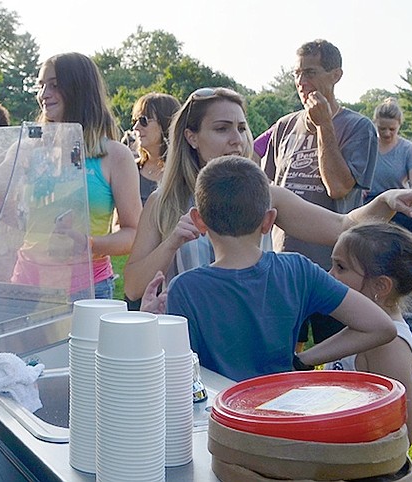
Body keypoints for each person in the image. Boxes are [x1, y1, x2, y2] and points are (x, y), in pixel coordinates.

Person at [124, 87, 412, 306]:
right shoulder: (163, 202)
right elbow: (134, 287)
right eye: (222, 128)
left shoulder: (268, 197)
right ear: (191, 137)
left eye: (242, 128)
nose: (237, 139)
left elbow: (342, 225)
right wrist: (172, 242)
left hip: (256, 333)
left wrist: (385, 201)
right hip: (187, 348)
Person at [0, 52, 141, 300]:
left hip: (87, 290)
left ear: (80, 89)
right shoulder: (29, 146)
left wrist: (88, 244)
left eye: (55, 85)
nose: (43, 94)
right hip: (27, 287)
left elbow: (132, 234)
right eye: (41, 86)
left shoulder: (115, 156)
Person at [166, 156, 395, 382]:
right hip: (281, 411)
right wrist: (302, 360)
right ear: (269, 221)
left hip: (220, 415)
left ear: (198, 219)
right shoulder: (298, 271)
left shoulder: (184, 289)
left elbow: (177, 374)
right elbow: (381, 326)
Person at [263, 40, 378, 343]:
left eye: (310, 73)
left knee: (335, 362)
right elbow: (267, 191)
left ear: (336, 75)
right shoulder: (284, 127)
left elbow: (338, 187)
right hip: (285, 267)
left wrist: (324, 126)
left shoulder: (358, 128)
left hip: (337, 270)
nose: (302, 82)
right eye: (297, 74)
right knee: (285, 355)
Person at [325, 223, 412, 444]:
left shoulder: (387, 346)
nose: (329, 275)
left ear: (381, 286)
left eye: (340, 268)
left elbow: (401, 434)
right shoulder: (360, 326)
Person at [367, 98, 412, 244]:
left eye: (392, 129)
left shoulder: (408, 149)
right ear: (375, 124)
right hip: (371, 203)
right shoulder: (367, 146)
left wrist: (411, 194)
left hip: (400, 203)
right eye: (382, 129)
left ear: (399, 125)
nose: (387, 133)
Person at [130, 92, 181, 204]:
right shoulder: (131, 170)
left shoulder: (184, 173)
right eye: (135, 121)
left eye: (143, 120)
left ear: (166, 123)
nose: (135, 127)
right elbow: (118, 221)